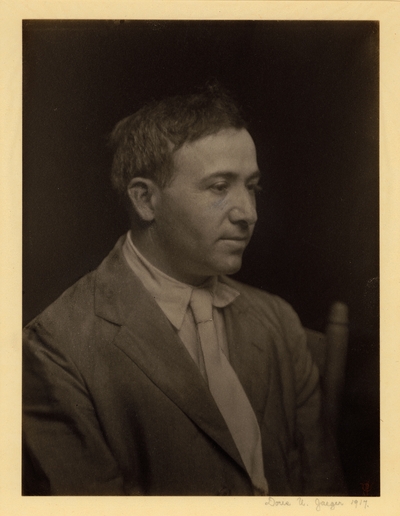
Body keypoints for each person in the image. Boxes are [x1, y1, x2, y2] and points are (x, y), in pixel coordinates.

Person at [22, 84, 345, 496]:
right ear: (144, 200)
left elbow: (325, 492)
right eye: (218, 187)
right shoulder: (54, 350)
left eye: (252, 186)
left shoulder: (278, 320)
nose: (248, 213)